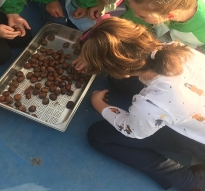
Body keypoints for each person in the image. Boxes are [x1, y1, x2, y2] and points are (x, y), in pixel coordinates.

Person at [80, 17, 205, 190]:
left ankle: (185, 180)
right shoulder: (174, 50)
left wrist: (98, 104)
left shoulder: (151, 104)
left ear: (123, 70)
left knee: (98, 136)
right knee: (119, 84)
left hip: (197, 139)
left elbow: (131, 129)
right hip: (194, 110)